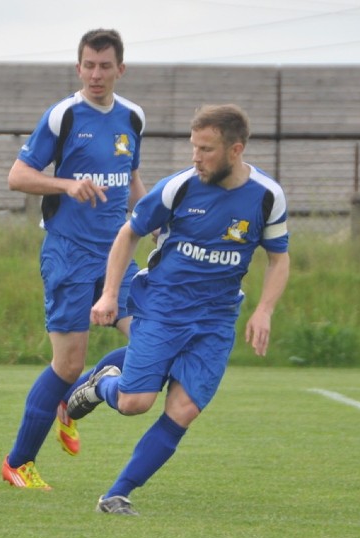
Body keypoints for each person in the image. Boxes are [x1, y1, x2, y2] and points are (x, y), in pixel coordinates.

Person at [66, 103, 291, 515]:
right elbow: (128, 233)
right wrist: (110, 295)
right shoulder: (179, 188)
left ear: (235, 150)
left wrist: (264, 310)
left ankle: (117, 493)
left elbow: (279, 257)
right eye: (194, 147)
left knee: (184, 409)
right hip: (163, 307)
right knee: (136, 403)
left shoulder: (267, 197)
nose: (196, 157)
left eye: (206, 149)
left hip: (217, 318)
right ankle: (101, 384)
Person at [1, 28, 146, 490]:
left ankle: (83, 391)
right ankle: (18, 462)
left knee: (152, 338)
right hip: (68, 252)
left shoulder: (133, 118)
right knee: (66, 363)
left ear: (120, 69)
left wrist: (153, 222)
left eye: (105, 66)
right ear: (78, 66)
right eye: (89, 65)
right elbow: (18, 176)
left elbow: (131, 178)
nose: (96, 74)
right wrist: (66, 184)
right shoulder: (64, 115)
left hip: (116, 255)